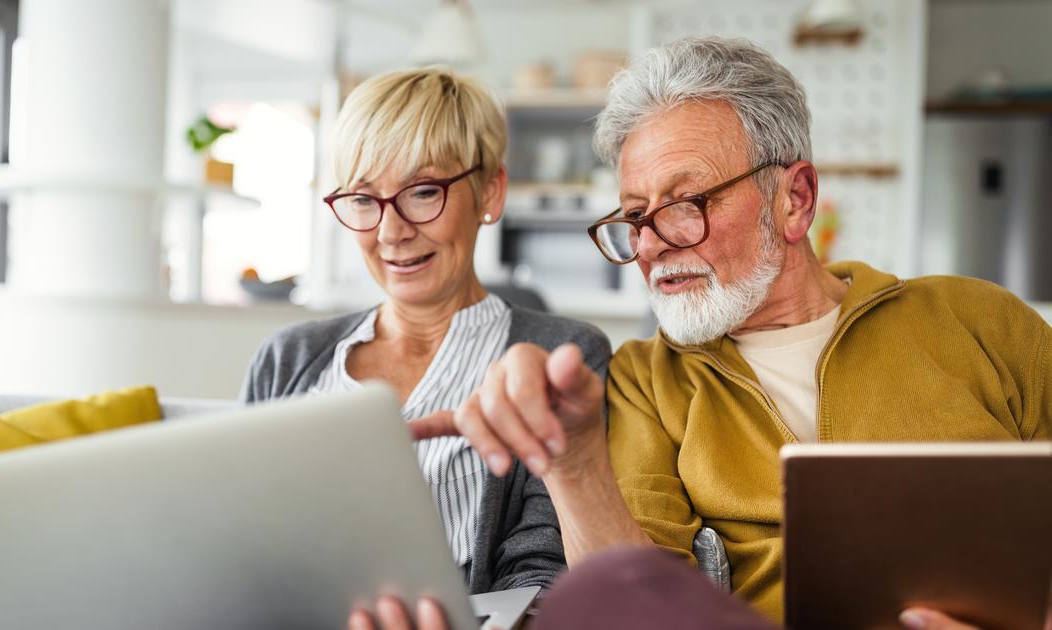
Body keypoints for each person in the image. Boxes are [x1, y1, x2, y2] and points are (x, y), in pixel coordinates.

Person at [387, 37, 1050, 629]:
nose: (650, 246)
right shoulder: (648, 379)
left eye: (684, 205)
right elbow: (629, 605)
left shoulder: (980, 320)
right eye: (636, 215)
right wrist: (574, 463)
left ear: (793, 200)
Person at [239, 67, 611, 598]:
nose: (391, 231)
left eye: (423, 192)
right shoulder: (288, 358)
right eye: (364, 199)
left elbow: (542, 577)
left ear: (490, 191)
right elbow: (236, 540)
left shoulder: (562, 358)